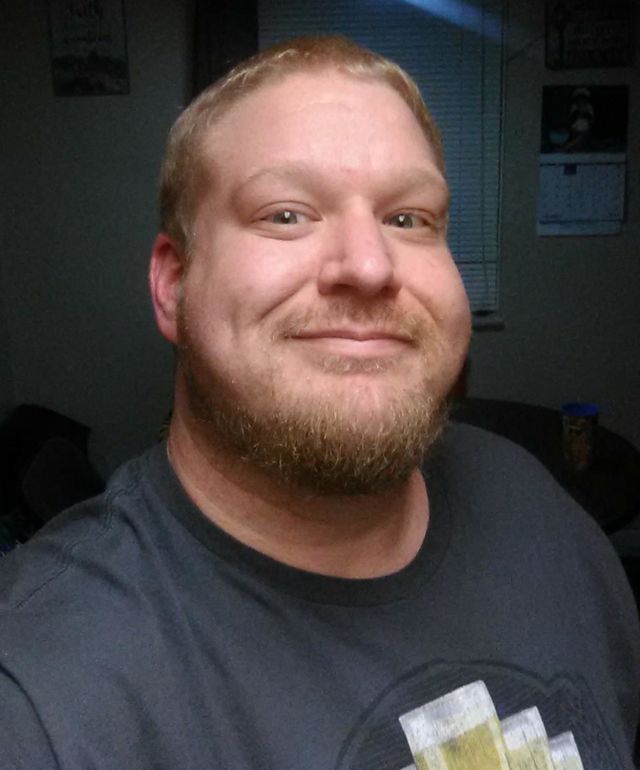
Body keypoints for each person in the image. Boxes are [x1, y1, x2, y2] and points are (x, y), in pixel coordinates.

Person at [0, 36, 638, 770]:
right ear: (173, 285)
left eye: (408, 219)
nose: (369, 265)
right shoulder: (41, 695)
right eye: (286, 214)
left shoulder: (533, 505)